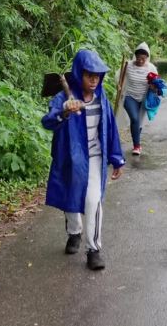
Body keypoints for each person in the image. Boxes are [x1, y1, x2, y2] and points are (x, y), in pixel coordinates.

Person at [41, 49, 125, 271]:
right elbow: (48, 122)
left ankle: (93, 249)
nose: (94, 80)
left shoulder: (101, 98)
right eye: (90, 75)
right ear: (79, 74)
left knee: (93, 200)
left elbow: (110, 129)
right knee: (71, 196)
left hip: (95, 157)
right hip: (70, 157)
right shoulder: (63, 97)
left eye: (98, 75)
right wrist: (65, 112)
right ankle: (74, 232)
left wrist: (117, 159)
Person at [119, 42, 158, 156]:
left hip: (144, 98)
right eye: (138, 58)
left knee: (138, 122)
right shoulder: (128, 65)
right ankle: (137, 146)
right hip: (129, 96)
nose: (140, 61)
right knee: (135, 119)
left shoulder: (151, 68)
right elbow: (120, 77)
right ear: (135, 56)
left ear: (147, 58)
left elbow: (156, 85)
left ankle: (136, 136)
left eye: (143, 59)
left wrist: (153, 87)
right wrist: (119, 85)